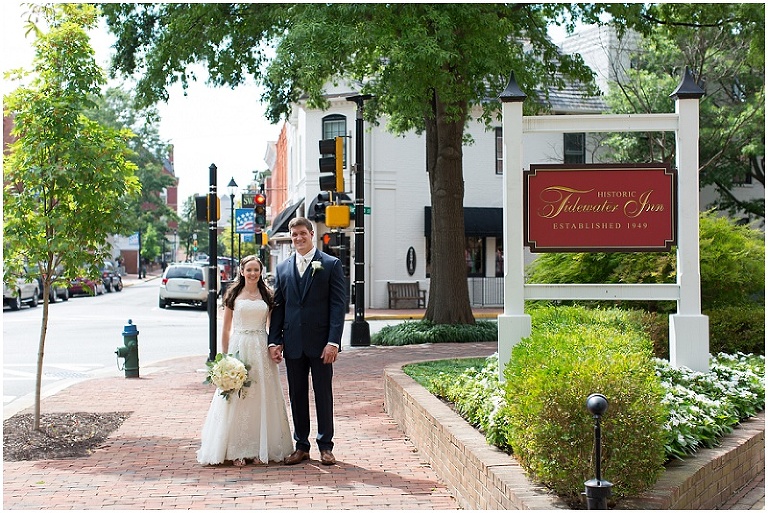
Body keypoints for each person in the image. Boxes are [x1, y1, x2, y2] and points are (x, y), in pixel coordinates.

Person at [197, 255, 293, 467]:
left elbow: (272, 326)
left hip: (261, 347)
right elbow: (226, 329)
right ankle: (237, 450)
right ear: (241, 271)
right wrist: (224, 359)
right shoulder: (233, 294)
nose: (252, 273)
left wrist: (275, 346)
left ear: (260, 272)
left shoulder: (267, 295)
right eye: (248, 269)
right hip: (239, 347)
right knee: (238, 397)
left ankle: (260, 448)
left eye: (256, 270)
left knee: (261, 396)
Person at [268, 217, 346, 466]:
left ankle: (326, 446)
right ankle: (301, 445)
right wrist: (274, 340)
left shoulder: (330, 264)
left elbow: (338, 306)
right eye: (294, 235)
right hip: (293, 343)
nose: (298, 238)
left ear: (311, 234)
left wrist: (333, 341)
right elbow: (279, 307)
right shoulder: (283, 268)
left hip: (321, 343)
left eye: (302, 233)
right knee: (297, 395)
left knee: (323, 394)